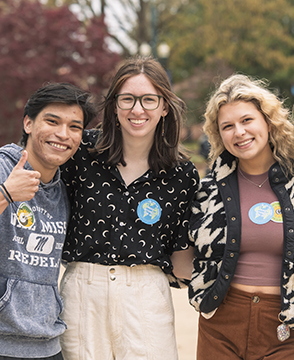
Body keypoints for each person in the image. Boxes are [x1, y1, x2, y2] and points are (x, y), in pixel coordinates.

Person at [59, 56, 199, 360]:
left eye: (149, 99)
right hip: (84, 291)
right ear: (114, 106)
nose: (138, 110)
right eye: (128, 99)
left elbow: (181, 254)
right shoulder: (81, 153)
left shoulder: (182, 175)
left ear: (164, 107)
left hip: (146, 294)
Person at [188, 74, 294, 360]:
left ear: (268, 121)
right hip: (221, 324)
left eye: (247, 121)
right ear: (218, 134)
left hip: (290, 326)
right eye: (227, 126)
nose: (239, 132)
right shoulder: (210, 187)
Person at [0, 83, 96, 359]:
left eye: (74, 127)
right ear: (28, 123)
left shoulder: (64, 188)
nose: (62, 134)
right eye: (52, 121)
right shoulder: (3, 169)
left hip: (47, 345)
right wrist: (6, 193)